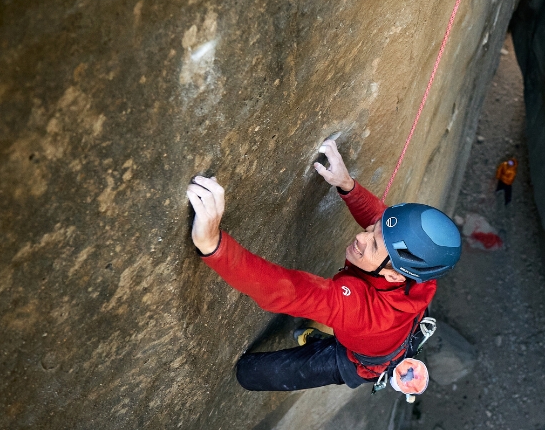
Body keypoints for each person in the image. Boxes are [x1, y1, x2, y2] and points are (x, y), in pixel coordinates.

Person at [186, 139, 461, 392]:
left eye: (374, 245)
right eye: (372, 229)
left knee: (249, 374)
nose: (361, 237)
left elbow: (290, 291)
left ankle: (320, 341)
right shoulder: (420, 267)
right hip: (396, 331)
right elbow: (380, 220)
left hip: (362, 360)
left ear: (393, 276)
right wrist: (348, 186)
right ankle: (316, 335)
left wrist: (213, 245)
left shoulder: (365, 312)